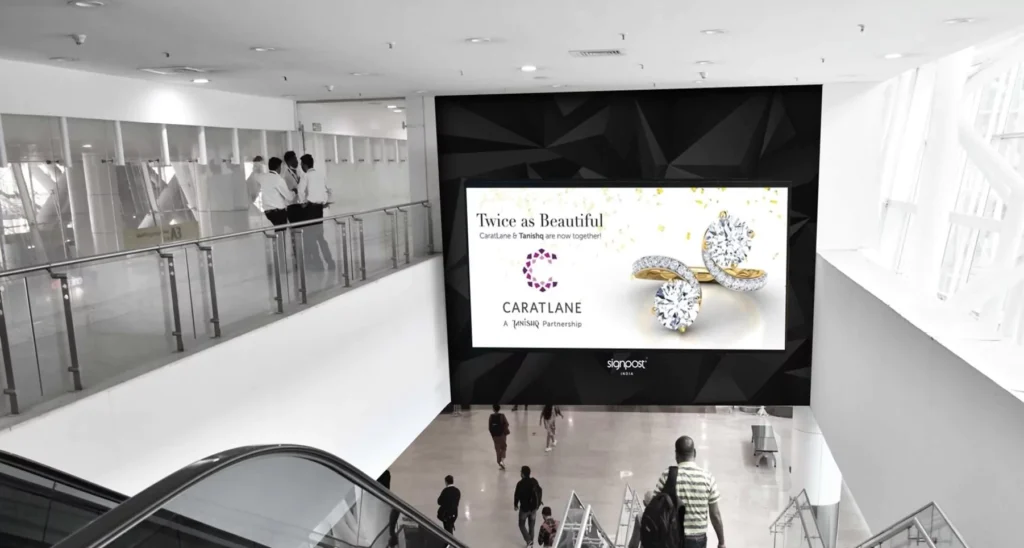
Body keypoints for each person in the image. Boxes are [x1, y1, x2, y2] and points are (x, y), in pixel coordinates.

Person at [653, 436, 726, 548]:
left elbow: (655, 508)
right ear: (694, 453)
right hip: (697, 540)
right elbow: (715, 515)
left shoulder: (667, 476)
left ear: (676, 455)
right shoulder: (707, 478)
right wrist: (721, 542)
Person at [298, 154, 335, 270]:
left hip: (310, 209)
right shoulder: (321, 175)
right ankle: (330, 261)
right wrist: (325, 201)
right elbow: (329, 190)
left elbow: (300, 191)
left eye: (301, 165)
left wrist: (302, 202)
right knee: (320, 236)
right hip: (319, 209)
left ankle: (318, 264)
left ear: (304, 165)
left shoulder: (306, 176)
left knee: (310, 237)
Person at [257, 157, 293, 228]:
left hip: (267, 213)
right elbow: (289, 197)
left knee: (276, 233)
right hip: (278, 212)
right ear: (278, 167)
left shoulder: (263, 177)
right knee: (281, 233)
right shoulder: (278, 179)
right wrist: (294, 192)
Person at [514, 466, 543, 547]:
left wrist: (515, 505)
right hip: (534, 508)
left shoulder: (520, 484)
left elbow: (516, 495)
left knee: (521, 524)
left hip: (524, 509)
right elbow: (539, 492)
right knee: (531, 526)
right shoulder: (534, 481)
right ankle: (531, 543)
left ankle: (529, 540)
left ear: (523, 474)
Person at [283, 151, 304, 224]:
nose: (297, 161)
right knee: (296, 230)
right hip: (292, 207)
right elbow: (291, 192)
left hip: (300, 204)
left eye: (296, 158)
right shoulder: (285, 176)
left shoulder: (299, 172)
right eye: (294, 159)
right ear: (289, 161)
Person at [489, 405, 510, 470]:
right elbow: (507, 424)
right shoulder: (502, 416)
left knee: (497, 449)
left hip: (495, 436)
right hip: (502, 435)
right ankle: (502, 458)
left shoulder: (491, 416)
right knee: (503, 447)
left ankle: (499, 462)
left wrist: (493, 435)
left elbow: (490, 427)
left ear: (493, 409)